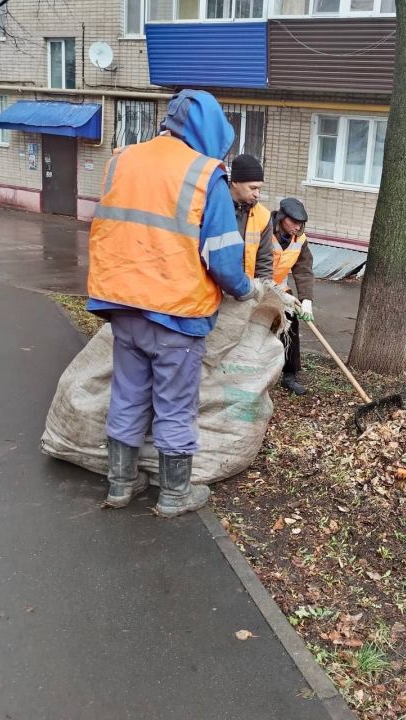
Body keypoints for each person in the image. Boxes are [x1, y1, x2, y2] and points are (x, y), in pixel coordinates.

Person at [86, 89, 262, 518]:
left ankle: (121, 484)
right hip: (176, 315)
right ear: (210, 131)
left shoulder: (122, 160)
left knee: (127, 394)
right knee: (175, 404)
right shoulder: (206, 175)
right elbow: (222, 258)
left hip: (122, 306)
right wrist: (246, 290)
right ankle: (174, 494)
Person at [270, 197, 314, 395]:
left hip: (280, 288)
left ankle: (289, 375)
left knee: (291, 324)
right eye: (294, 222)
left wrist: (306, 300)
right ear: (281, 218)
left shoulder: (300, 240)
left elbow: (303, 270)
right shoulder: (264, 231)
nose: (298, 227)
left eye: (301, 224)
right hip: (254, 286)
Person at [229, 154, 273, 281]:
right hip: (211, 293)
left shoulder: (263, 216)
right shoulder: (213, 207)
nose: (257, 195)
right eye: (253, 188)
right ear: (235, 182)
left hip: (245, 293)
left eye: (259, 189)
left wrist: (263, 295)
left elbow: (264, 263)